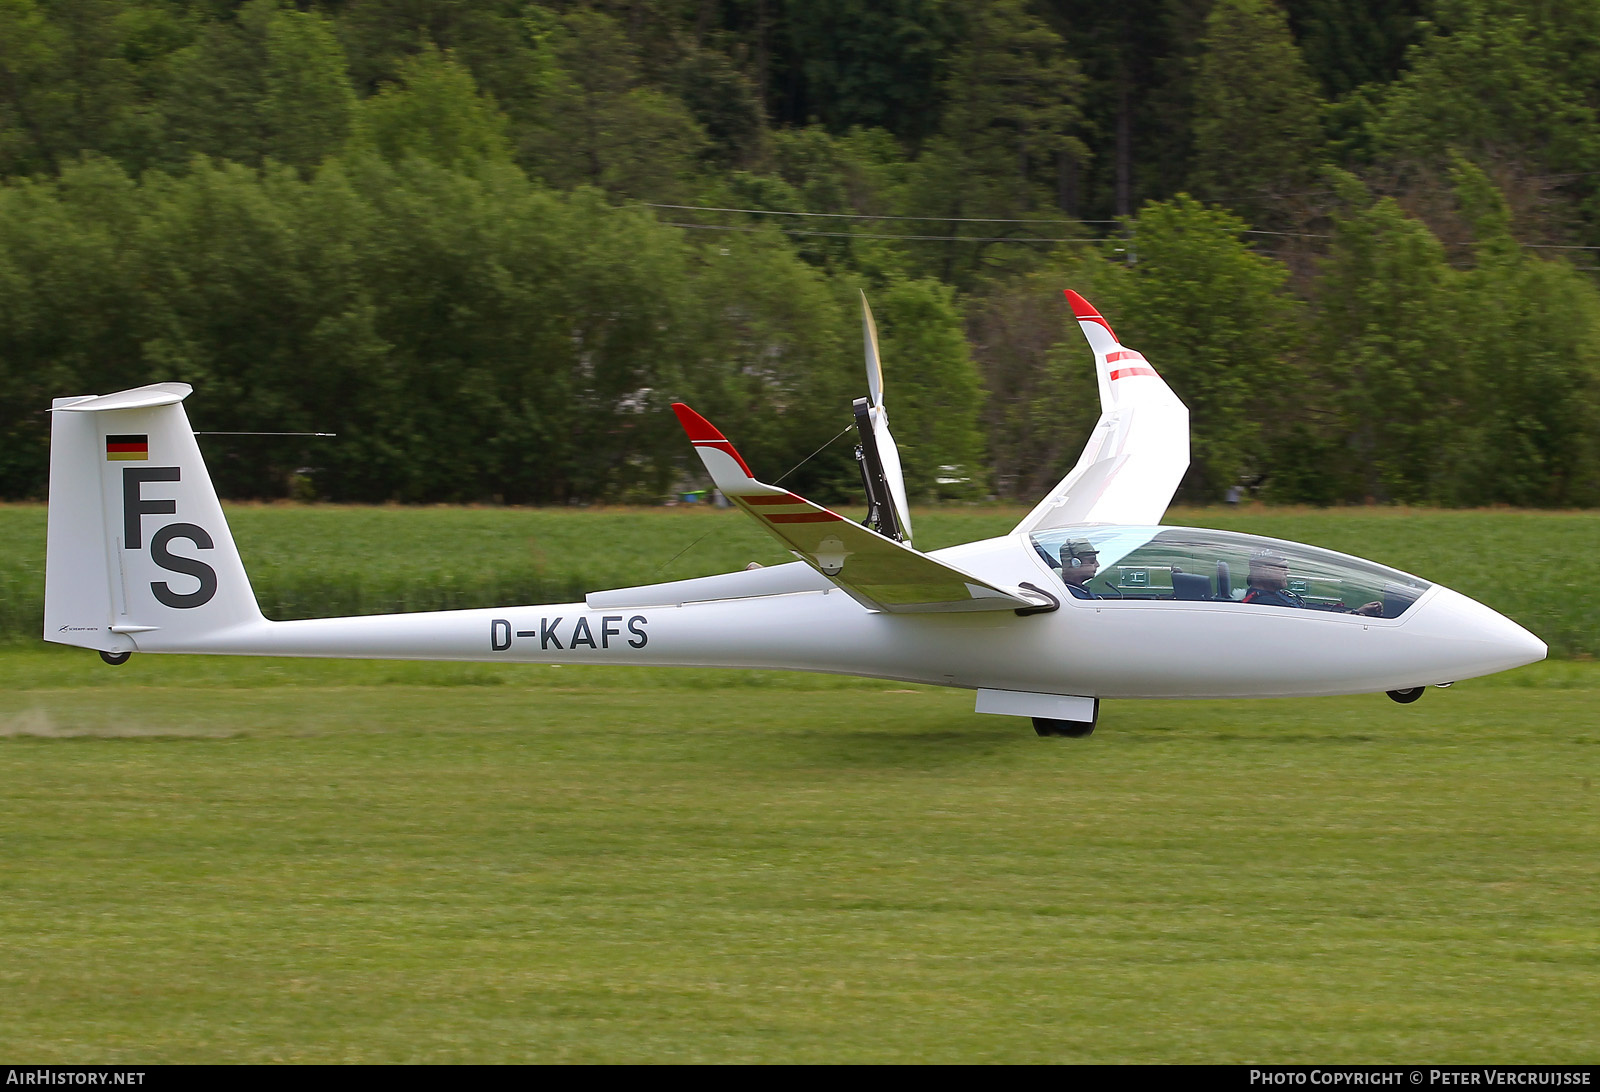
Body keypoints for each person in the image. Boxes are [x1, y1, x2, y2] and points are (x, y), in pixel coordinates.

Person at [1244, 550, 1382, 615]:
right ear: (1264, 571)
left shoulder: (1278, 595)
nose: (1288, 572)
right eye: (1283, 567)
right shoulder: (1265, 604)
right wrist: (1355, 614)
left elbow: (1309, 608)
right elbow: (1309, 624)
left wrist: (1354, 611)